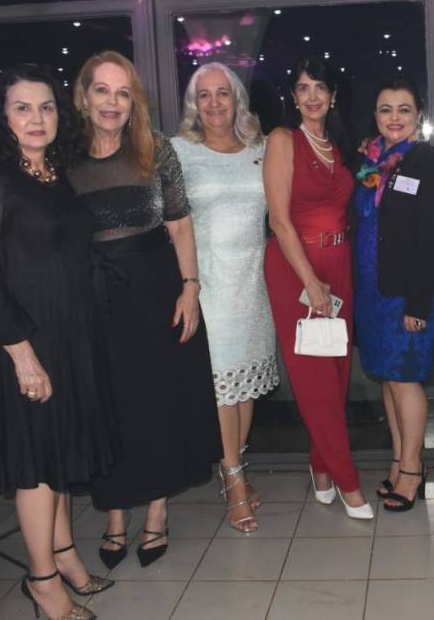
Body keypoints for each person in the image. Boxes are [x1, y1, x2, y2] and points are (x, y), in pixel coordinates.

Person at [0, 64, 114, 620]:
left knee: (58, 454)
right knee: (38, 468)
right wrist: (23, 356)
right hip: (23, 344)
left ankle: (65, 556)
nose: (37, 118)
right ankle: (42, 582)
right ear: (1, 117)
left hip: (66, 337)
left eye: (46, 106)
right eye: (22, 107)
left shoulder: (53, 174)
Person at [67, 51, 222, 568]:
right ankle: (115, 513)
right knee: (109, 405)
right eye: (102, 90)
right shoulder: (64, 158)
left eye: (123, 93)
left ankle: (157, 511)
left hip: (156, 292)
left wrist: (190, 288)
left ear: (134, 102)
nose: (112, 102)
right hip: (94, 298)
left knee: (157, 403)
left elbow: (179, 223)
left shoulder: (155, 150)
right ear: (84, 97)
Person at [263, 56, 373, 519]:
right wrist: (311, 282)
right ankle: (348, 480)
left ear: (333, 96)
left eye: (320, 88)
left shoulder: (339, 145)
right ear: (293, 96)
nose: (311, 96)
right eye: (303, 88)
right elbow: (279, 220)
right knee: (314, 378)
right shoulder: (282, 139)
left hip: (339, 261)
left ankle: (321, 465)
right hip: (297, 268)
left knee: (337, 371)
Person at [172, 62, 278, 532]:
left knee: (245, 383)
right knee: (221, 386)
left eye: (222, 93)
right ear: (193, 104)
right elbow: (169, 222)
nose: (214, 103)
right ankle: (233, 480)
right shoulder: (177, 151)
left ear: (237, 100)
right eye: (204, 95)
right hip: (208, 285)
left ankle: (235, 466)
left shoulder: (261, 148)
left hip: (252, 284)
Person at [353, 77, 434, 512]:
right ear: (375, 116)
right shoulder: (370, 162)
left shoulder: (430, 162)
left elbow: (433, 238)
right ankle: (399, 462)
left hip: (410, 293)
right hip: (373, 293)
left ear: (418, 116)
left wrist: (419, 303)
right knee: (388, 379)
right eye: (385, 109)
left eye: (404, 109)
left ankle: (413, 469)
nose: (394, 117)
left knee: (406, 379)